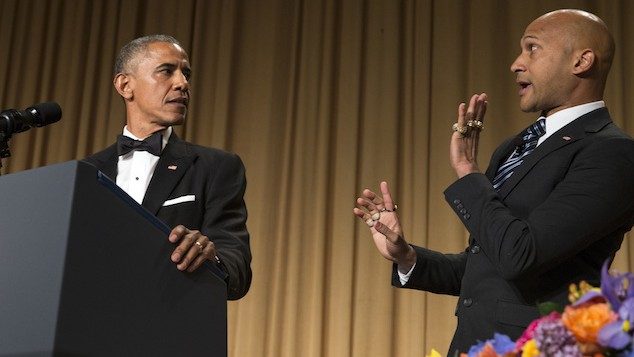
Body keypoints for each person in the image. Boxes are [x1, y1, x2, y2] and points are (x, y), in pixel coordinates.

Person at [354, 9, 634, 353]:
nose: (516, 63)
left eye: (532, 48)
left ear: (582, 61)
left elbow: (521, 256)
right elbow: (486, 265)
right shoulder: (515, 147)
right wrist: (407, 257)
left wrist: (468, 172)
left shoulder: (614, 154)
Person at [85, 35, 251, 300]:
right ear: (125, 85)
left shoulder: (217, 167)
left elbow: (236, 268)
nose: (183, 83)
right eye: (166, 71)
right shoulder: (86, 172)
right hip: (90, 328)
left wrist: (211, 259)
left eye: (186, 74)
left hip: (171, 330)